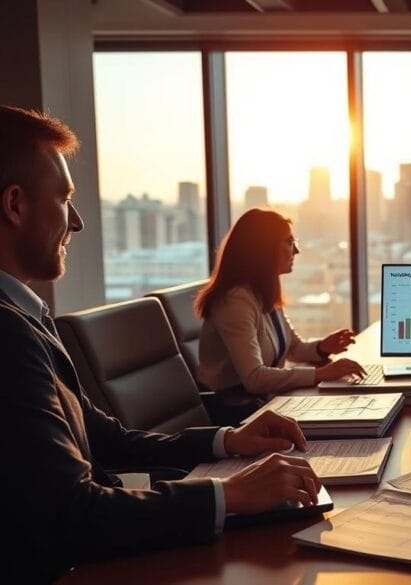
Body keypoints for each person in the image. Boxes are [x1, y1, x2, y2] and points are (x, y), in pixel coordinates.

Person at [0, 105, 324, 581]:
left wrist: (229, 441)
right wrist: (230, 495)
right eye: (65, 198)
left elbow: (106, 439)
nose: (78, 222)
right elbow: (72, 515)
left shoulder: (28, 317)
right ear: (15, 205)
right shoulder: (8, 334)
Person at [195, 208, 366, 413]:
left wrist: (322, 348)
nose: (296, 251)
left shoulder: (262, 291)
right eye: (288, 241)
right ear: (263, 248)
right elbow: (254, 379)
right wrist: (321, 374)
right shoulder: (234, 302)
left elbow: (293, 348)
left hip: (268, 403)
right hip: (237, 414)